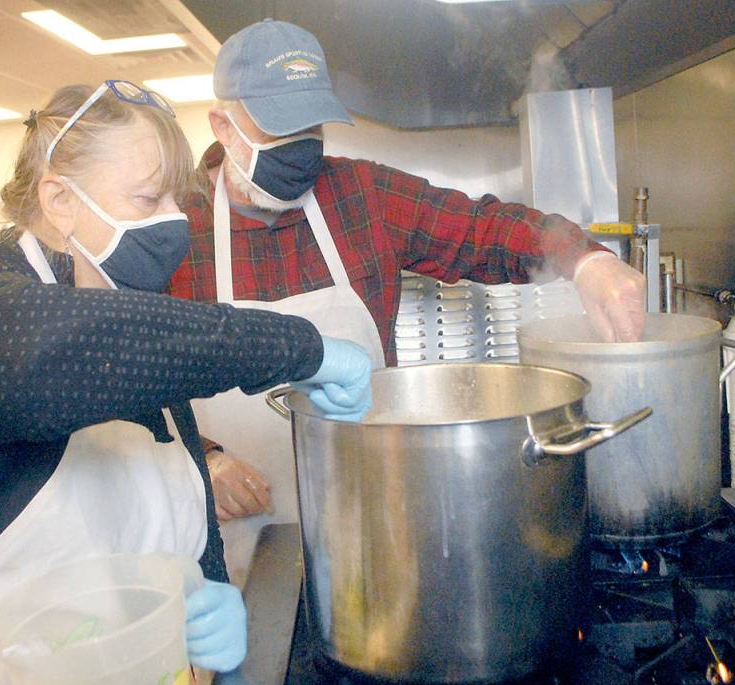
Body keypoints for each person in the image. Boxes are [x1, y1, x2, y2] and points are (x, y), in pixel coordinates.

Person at [0, 81, 372, 685]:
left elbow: (183, 528)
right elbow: (26, 367)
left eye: (175, 201)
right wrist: (297, 348)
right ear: (60, 201)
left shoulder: (142, 342)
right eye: (148, 199)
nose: (174, 223)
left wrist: (210, 615)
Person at [167, 19, 648, 584]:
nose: (301, 148)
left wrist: (585, 260)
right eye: (280, 131)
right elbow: (127, 382)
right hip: (226, 543)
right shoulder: (174, 229)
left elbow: (478, 226)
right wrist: (202, 459)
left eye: (311, 127)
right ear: (224, 125)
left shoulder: (359, 195)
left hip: (369, 521)